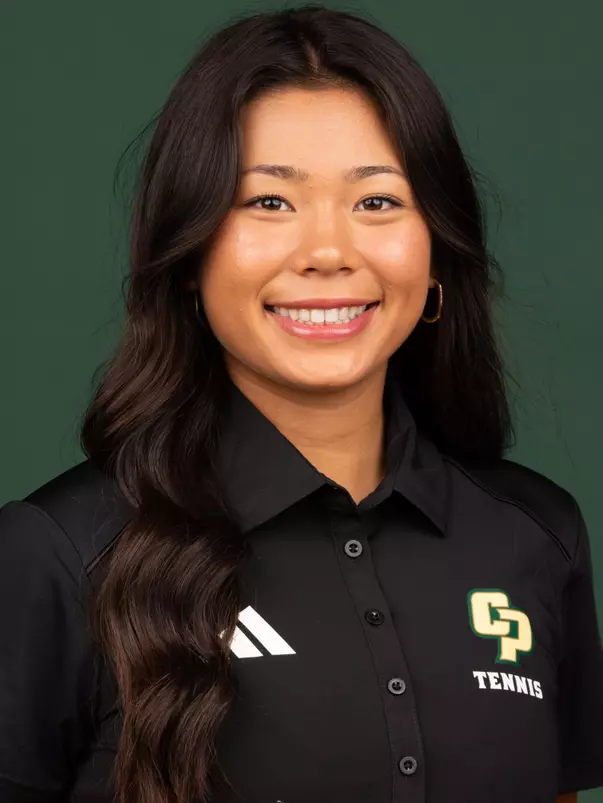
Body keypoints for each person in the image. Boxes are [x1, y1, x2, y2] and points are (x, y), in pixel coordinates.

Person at [0, 4, 601, 803]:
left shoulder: (533, 534)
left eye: (377, 201)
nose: (326, 252)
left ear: (436, 256)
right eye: (269, 203)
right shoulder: (55, 554)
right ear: (188, 253)